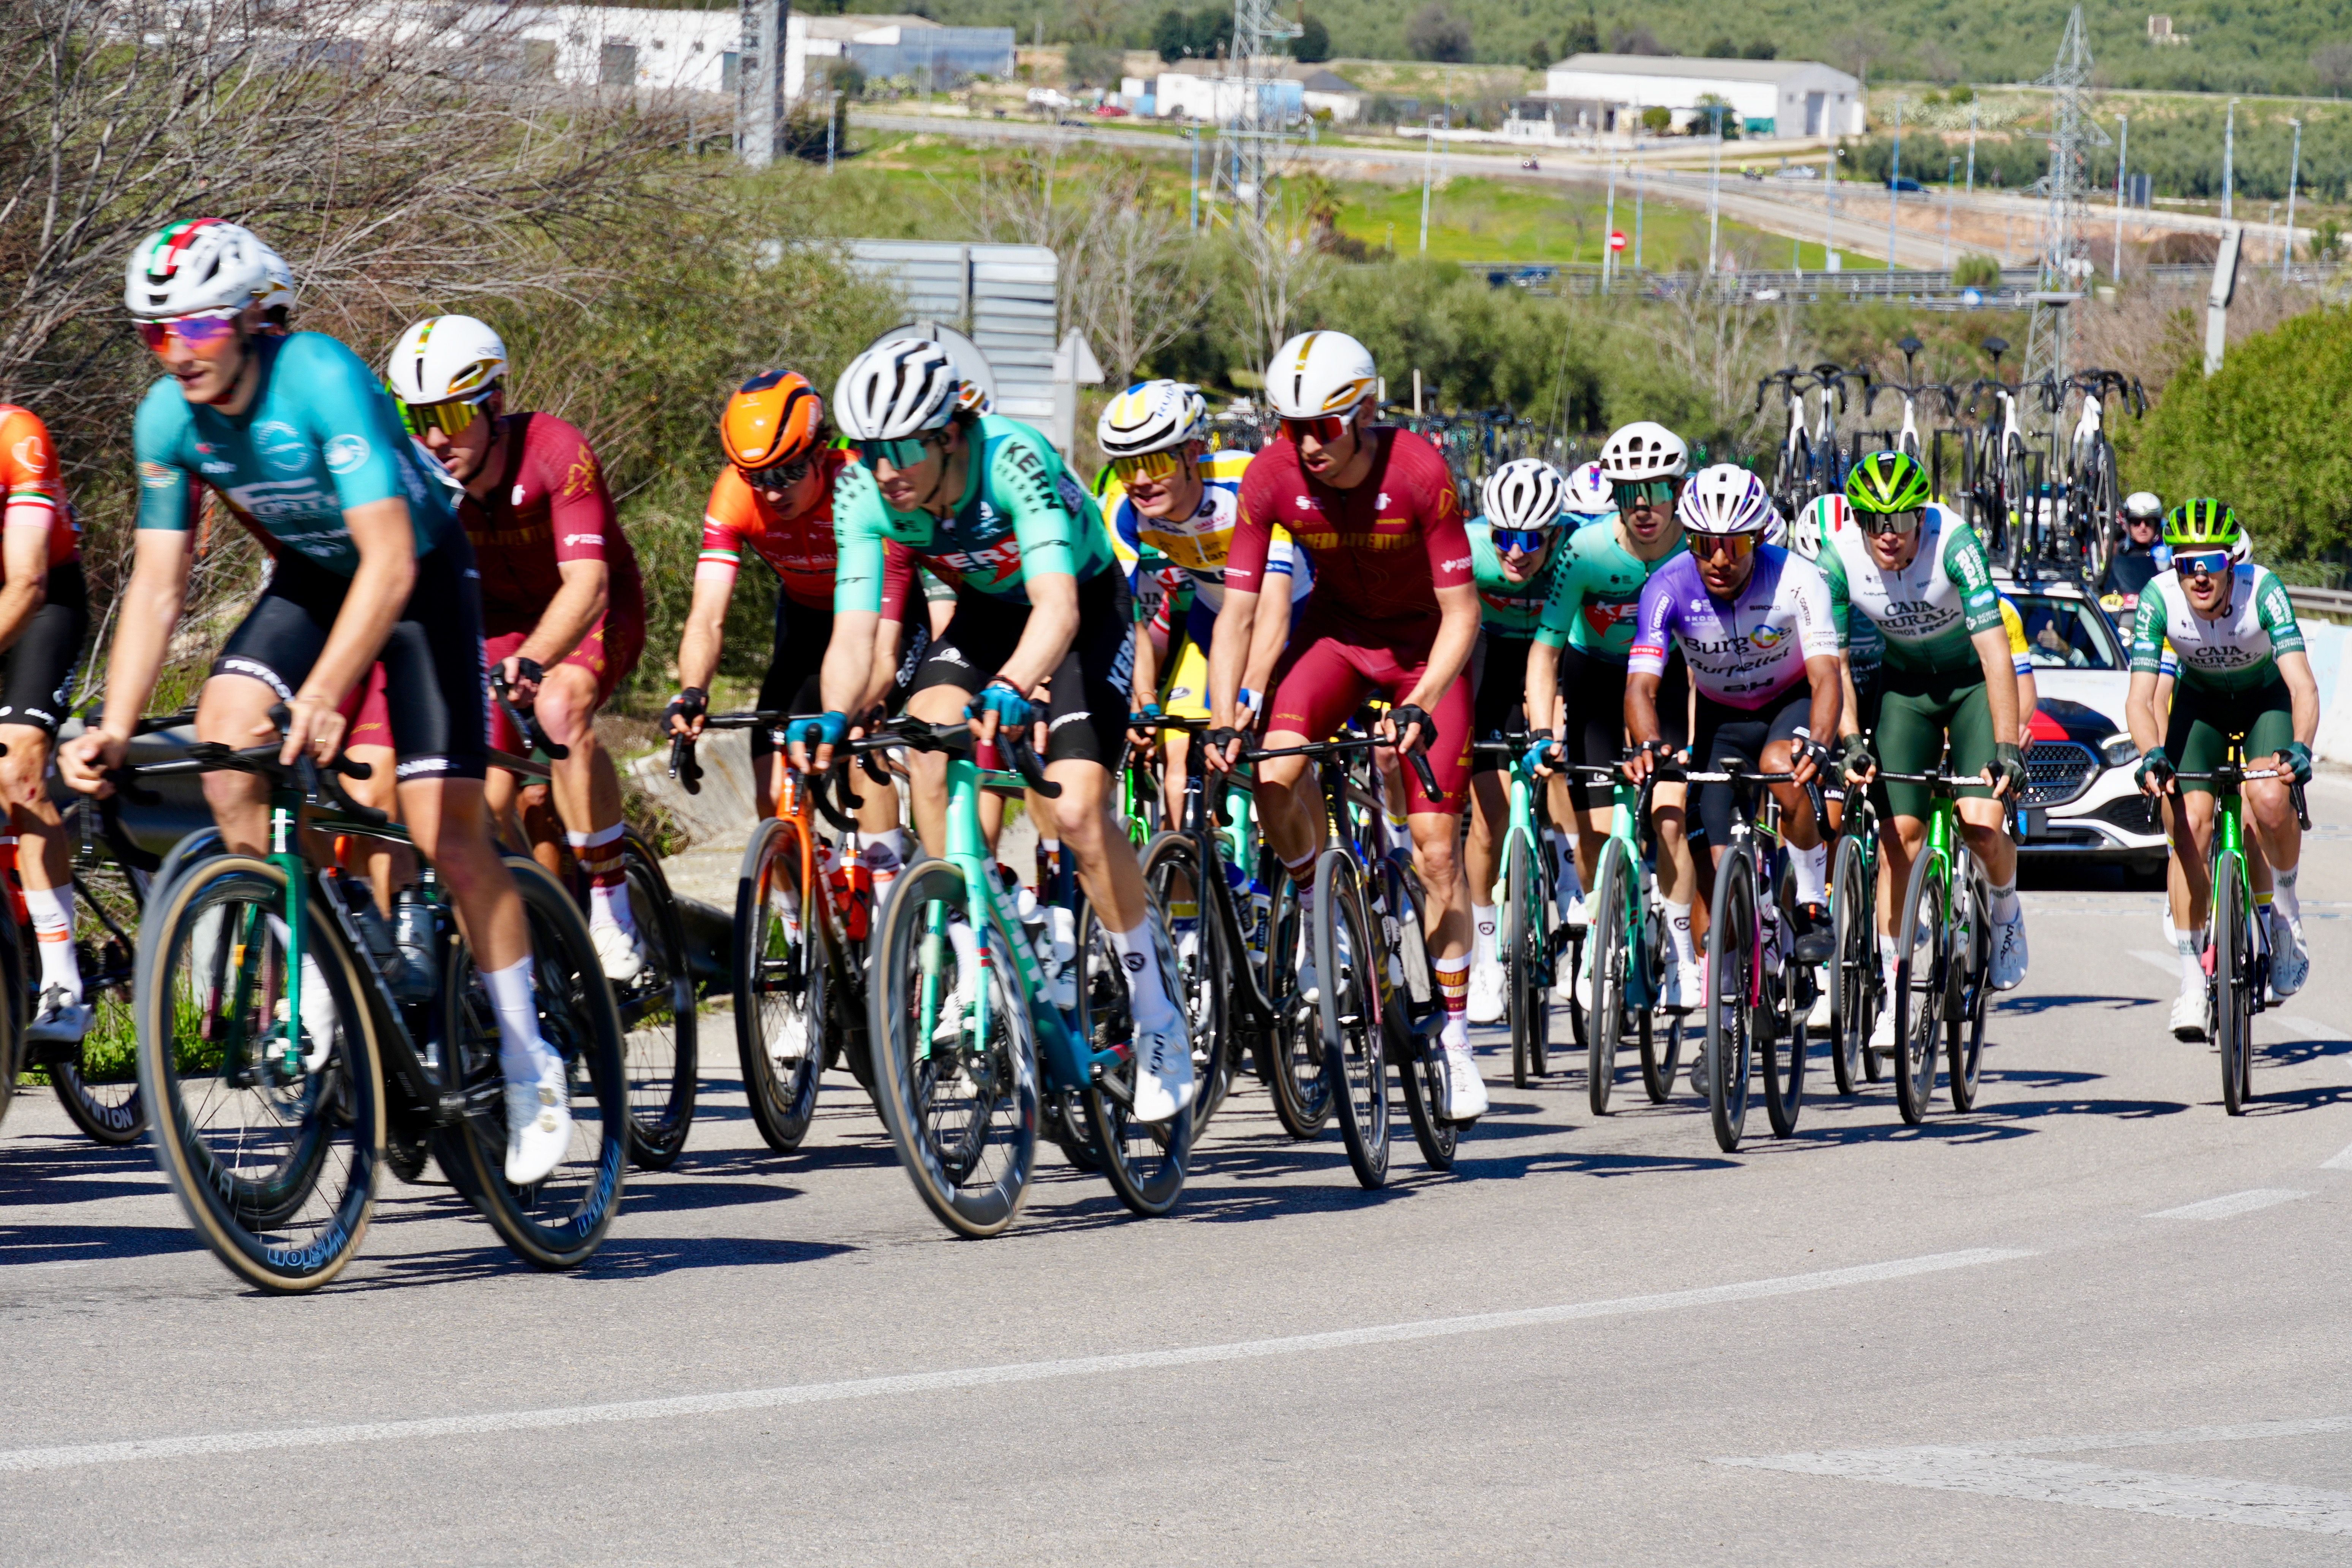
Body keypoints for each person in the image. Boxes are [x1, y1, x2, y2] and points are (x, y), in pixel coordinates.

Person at [63, 218, 572, 1184]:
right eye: (155, 333)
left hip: (416, 575)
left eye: (198, 327)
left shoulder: (321, 377)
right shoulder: (167, 420)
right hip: (312, 577)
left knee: (444, 827)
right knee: (227, 742)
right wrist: (115, 727)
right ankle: (309, 968)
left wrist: (331, 690)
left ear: (254, 320)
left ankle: (527, 1057)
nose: (177, 352)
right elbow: (160, 587)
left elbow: (389, 559)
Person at [785, 337, 1195, 1123]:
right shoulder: (864, 490)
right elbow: (855, 633)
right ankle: (980, 929)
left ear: (948, 435)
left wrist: (1013, 685)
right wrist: (835, 714)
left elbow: (1058, 609)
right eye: (868, 451)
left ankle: (1157, 1010)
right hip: (986, 614)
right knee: (924, 742)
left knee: (1076, 810)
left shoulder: (1013, 460)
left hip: (1081, 610)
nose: (884, 470)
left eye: (900, 449)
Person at [1202, 330, 1487, 1120]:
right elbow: (1237, 615)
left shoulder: (1419, 473)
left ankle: (1456, 1039)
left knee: (1437, 851)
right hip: (1337, 639)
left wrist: (1421, 701)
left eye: (1321, 427)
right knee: (1272, 774)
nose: (1304, 445)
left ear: (1362, 414)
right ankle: (1318, 909)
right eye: (1289, 426)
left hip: (1424, 649)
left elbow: (1463, 614)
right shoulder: (1269, 477)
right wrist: (1225, 718)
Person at [371, 315, 650, 982]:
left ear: (494, 405)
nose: (434, 439)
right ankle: (539, 926)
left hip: (590, 608)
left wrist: (536, 660)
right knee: (486, 796)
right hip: (494, 624)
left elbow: (587, 585)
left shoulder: (556, 452)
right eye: (416, 419)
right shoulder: (420, 474)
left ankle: (612, 909)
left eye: (449, 416)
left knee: (559, 707)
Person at [1620, 462, 1843, 1094]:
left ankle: (1809, 902)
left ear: (1759, 537)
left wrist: (1818, 742)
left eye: (1735, 544)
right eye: (1704, 544)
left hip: (1788, 705)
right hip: (1720, 720)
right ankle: (1721, 1028)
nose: (1719, 559)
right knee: (1715, 875)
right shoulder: (1666, 585)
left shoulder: (1798, 578)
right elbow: (1641, 685)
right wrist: (1648, 745)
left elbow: (1827, 676)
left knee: (1782, 768)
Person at [667, 370, 913, 902]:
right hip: (805, 622)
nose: (773, 491)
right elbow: (707, 616)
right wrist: (691, 692)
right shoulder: (734, 497)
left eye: (790, 471)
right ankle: (801, 920)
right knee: (771, 791)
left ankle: (889, 904)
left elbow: (880, 639)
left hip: (879, 620)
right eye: (757, 476)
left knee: (860, 747)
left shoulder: (860, 486)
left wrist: (864, 701)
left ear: (822, 452)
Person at [1818, 452, 2031, 1053]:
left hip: (1969, 688)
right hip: (1906, 692)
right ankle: (1896, 993)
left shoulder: (1956, 544)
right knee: (1898, 839)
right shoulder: (1838, 558)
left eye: (1903, 520)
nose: (1889, 534)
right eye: (1875, 522)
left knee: (1981, 826)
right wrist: (1851, 740)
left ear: (1922, 516)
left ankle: (2005, 908)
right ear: (1858, 520)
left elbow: (1995, 654)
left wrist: (2008, 746)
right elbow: (1833, 663)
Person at [2126, 500, 2318, 1038]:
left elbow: (2303, 686)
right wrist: (2151, 753)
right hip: (2202, 707)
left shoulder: (2265, 591)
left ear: (2231, 562)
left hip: (2263, 702)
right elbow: (2141, 699)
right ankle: (2193, 985)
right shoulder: (2159, 599)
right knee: (2187, 825)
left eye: (2211, 562)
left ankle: (2284, 911)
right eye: (2187, 564)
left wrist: (2301, 748)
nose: (2200, 575)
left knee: (2270, 800)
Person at [1522, 432, 1694, 1005]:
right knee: (1593, 834)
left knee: (1670, 818)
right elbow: (1545, 650)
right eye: (1627, 493)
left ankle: (1680, 953)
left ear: (1678, 491)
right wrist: (1543, 731)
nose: (1642, 506)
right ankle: (1602, 934)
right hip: (1594, 675)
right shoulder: (1586, 550)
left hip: (1668, 677)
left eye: (1656, 491)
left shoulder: (1694, 548)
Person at [1098, 379, 1301, 824]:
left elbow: (1275, 606)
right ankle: (1190, 861)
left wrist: (1252, 687)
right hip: (1214, 624)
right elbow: (1125, 616)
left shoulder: (1248, 481)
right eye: (1126, 467)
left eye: (1154, 463)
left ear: (1192, 452)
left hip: (1294, 620)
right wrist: (1142, 695)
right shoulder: (1122, 509)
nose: (1141, 482)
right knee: (1179, 756)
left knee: (1280, 770)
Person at [1461, 458, 1579, 1024]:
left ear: (1555, 534)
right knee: (1487, 819)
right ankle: (1486, 958)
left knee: (1559, 758)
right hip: (1492, 655)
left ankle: (1571, 876)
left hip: (1560, 655)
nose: (1515, 551)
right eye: (1503, 536)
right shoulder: (1468, 549)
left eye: (1531, 539)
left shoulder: (1580, 548)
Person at [0, 405, 93, 1044]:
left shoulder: (19, 437)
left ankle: (63, 985)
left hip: (41, 602)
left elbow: (29, 582)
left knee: (16, 767)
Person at [2098, 491, 2166, 603]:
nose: (2143, 527)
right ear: (2128, 525)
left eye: (2149, 522)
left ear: (2157, 525)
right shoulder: (2119, 549)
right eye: (2136, 522)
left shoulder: (2169, 550)